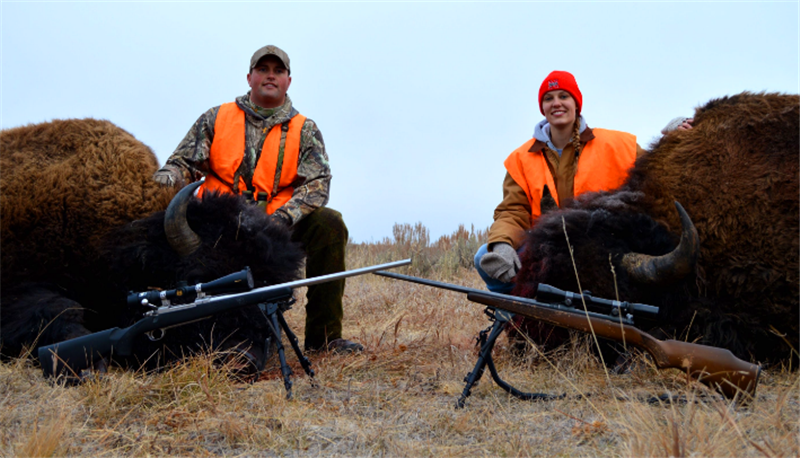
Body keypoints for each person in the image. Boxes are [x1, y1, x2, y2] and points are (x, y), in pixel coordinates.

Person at [153, 45, 362, 354]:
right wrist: (161, 179)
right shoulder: (216, 117)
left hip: (278, 227)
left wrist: (279, 220)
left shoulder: (305, 130)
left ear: (288, 81)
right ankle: (176, 333)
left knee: (330, 224)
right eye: (263, 69)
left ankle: (324, 338)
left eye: (278, 71)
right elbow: (182, 164)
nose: (270, 76)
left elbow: (317, 184)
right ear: (249, 77)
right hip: (219, 228)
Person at [474, 70, 647, 293]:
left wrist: (675, 134)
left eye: (563, 96)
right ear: (543, 108)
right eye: (549, 98)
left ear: (576, 103)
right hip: (547, 246)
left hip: (604, 245)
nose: (556, 103)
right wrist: (502, 245)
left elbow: (658, 169)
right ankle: (515, 313)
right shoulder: (520, 159)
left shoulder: (620, 146)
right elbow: (512, 211)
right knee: (484, 257)